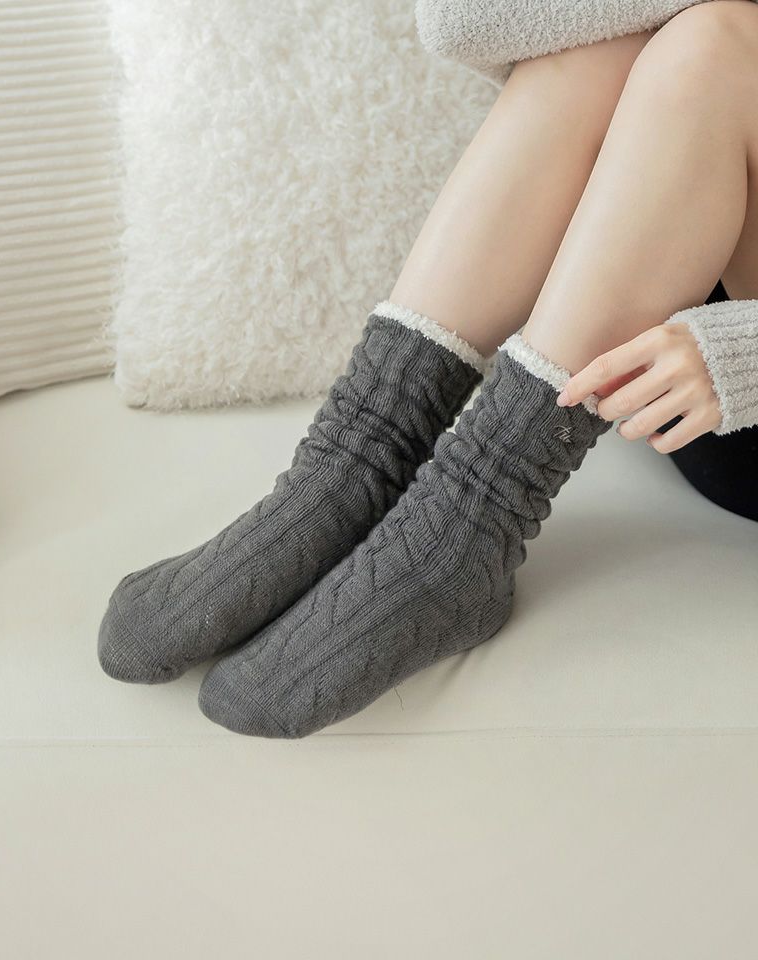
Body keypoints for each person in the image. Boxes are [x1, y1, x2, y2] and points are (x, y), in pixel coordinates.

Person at [98, 0, 758, 738]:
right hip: (683, 380)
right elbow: (464, 19)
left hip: (735, 385)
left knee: (717, 45)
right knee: (604, 42)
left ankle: (473, 518)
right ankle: (353, 467)